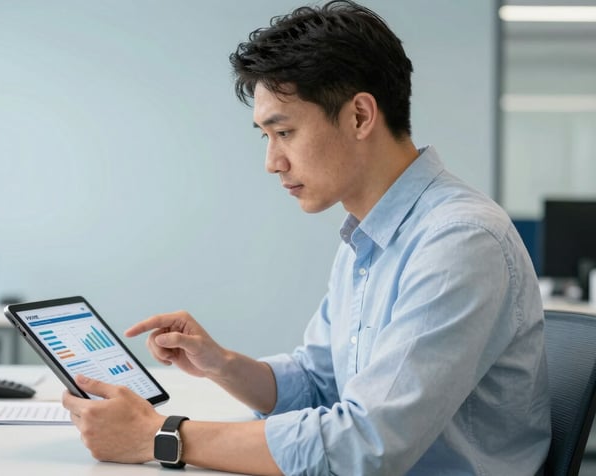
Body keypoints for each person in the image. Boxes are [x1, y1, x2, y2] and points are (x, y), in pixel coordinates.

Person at [61, 1, 551, 474]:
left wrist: (160, 435)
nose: (272, 162)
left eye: (285, 132)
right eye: (265, 136)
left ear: (360, 116)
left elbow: (365, 446)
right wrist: (222, 363)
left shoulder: (459, 242)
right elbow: (320, 383)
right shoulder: (367, 237)